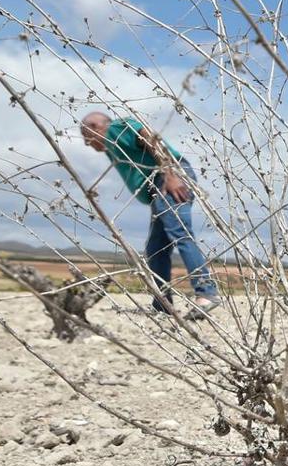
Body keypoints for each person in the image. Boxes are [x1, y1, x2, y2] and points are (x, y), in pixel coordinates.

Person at [80, 111, 220, 318]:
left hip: (168, 178)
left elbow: (149, 137)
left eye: (86, 137)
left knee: (180, 233)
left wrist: (170, 174)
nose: (86, 144)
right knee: (156, 249)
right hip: (158, 189)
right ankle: (162, 305)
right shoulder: (111, 145)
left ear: (95, 127)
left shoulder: (117, 129)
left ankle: (207, 293)